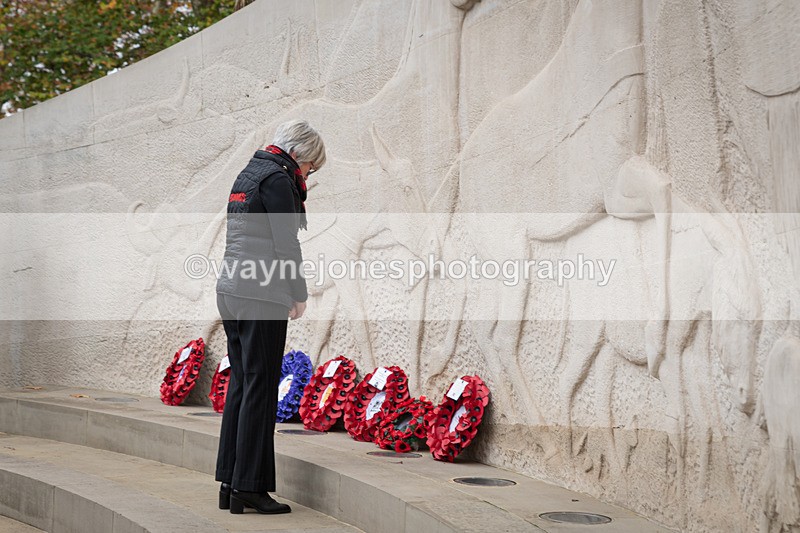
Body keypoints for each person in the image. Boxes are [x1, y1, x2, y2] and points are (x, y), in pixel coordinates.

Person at [214, 119, 325, 514]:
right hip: (261, 295)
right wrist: (298, 294)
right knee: (260, 389)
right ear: (298, 154)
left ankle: (231, 482)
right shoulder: (278, 179)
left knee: (243, 385)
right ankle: (250, 487)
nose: (309, 175)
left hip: (231, 290)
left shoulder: (249, 172)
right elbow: (286, 243)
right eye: (311, 167)